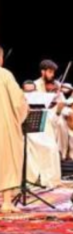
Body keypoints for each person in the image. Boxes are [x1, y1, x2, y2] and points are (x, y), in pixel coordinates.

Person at [0, 46, 29, 212]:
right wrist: (23, 111)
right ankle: (6, 202)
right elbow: (18, 102)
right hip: (3, 125)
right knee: (6, 161)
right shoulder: (4, 74)